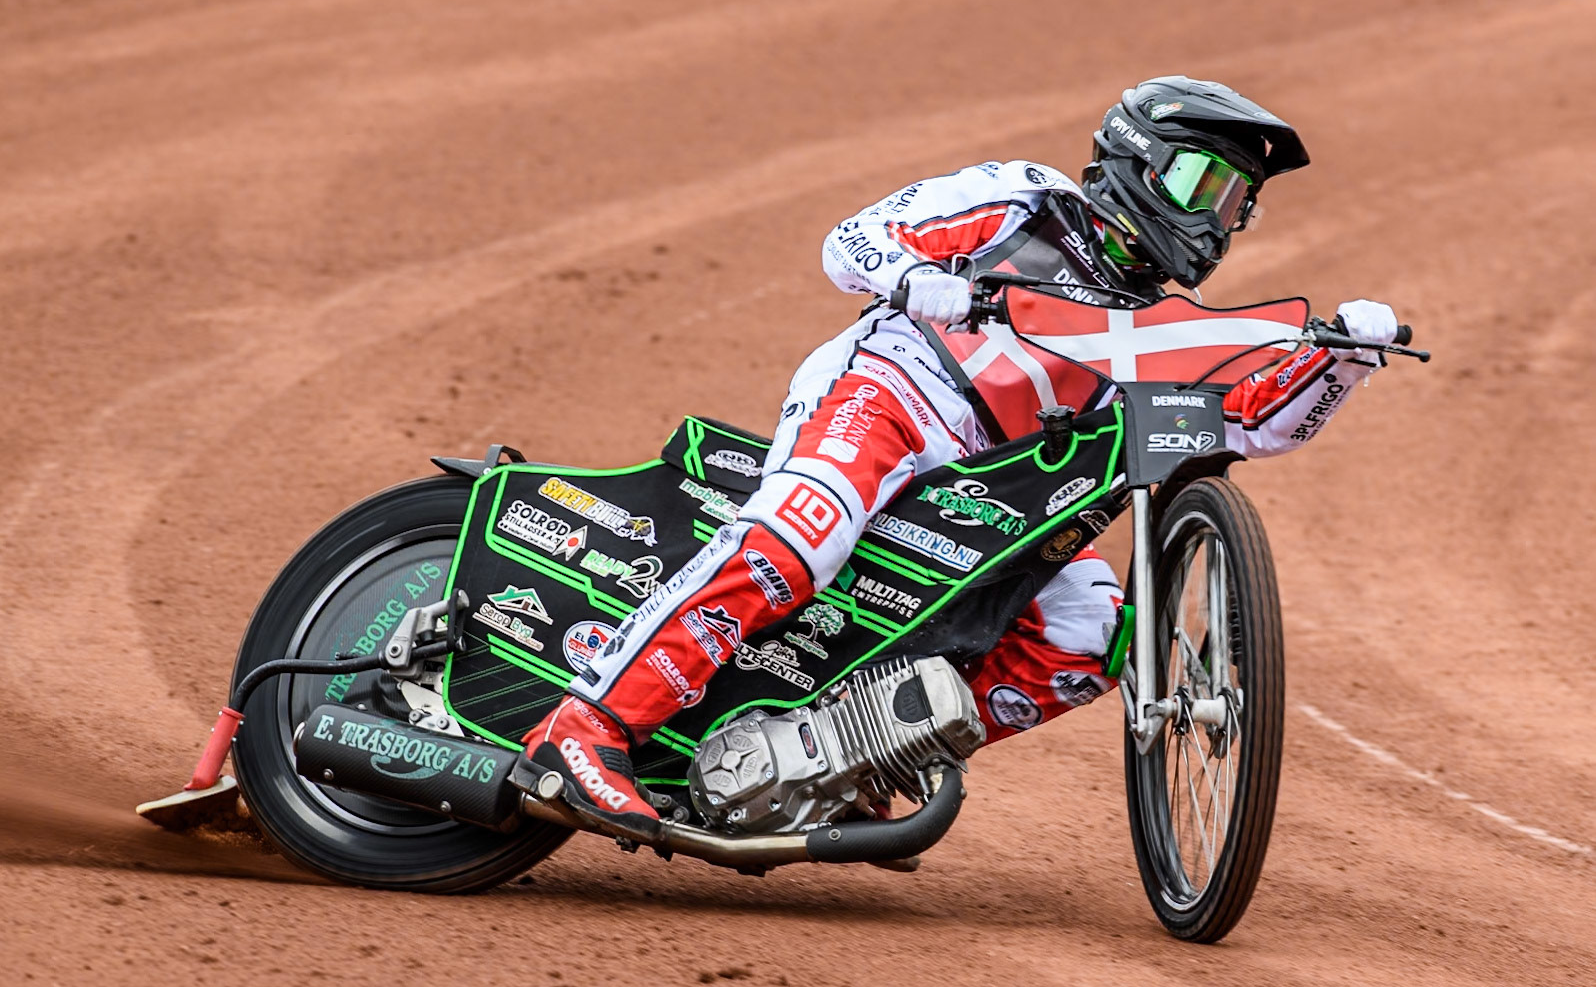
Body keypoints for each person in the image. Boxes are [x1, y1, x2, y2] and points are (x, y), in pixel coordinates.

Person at [514, 76, 1399, 837]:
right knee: (800, 537)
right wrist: (914, 277)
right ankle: (584, 723)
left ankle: (842, 757)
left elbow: (1247, 423)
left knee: (1089, 628)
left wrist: (1343, 361)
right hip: (889, 397)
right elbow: (851, 240)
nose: (1218, 216)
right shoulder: (1024, 200)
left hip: (996, 487)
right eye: (1204, 180)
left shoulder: (1160, 321)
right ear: (1140, 156)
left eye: (1236, 198)